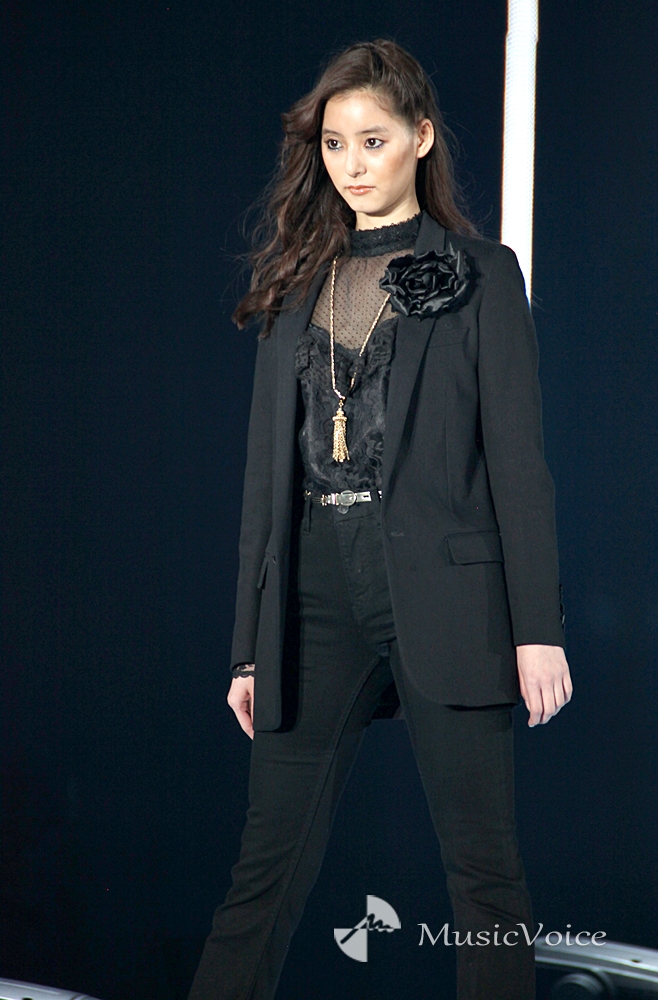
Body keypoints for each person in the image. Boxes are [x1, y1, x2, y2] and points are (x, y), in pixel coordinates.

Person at [188, 38, 573, 1000]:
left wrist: (538, 628)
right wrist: (247, 648)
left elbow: (519, 465)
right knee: (262, 872)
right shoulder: (293, 285)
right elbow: (263, 483)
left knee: (484, 876)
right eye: (334, 145)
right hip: (314, 592)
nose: (352, 165)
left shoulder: (484, 274)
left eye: (374, 140)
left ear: (422, 138)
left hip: (446, 590)